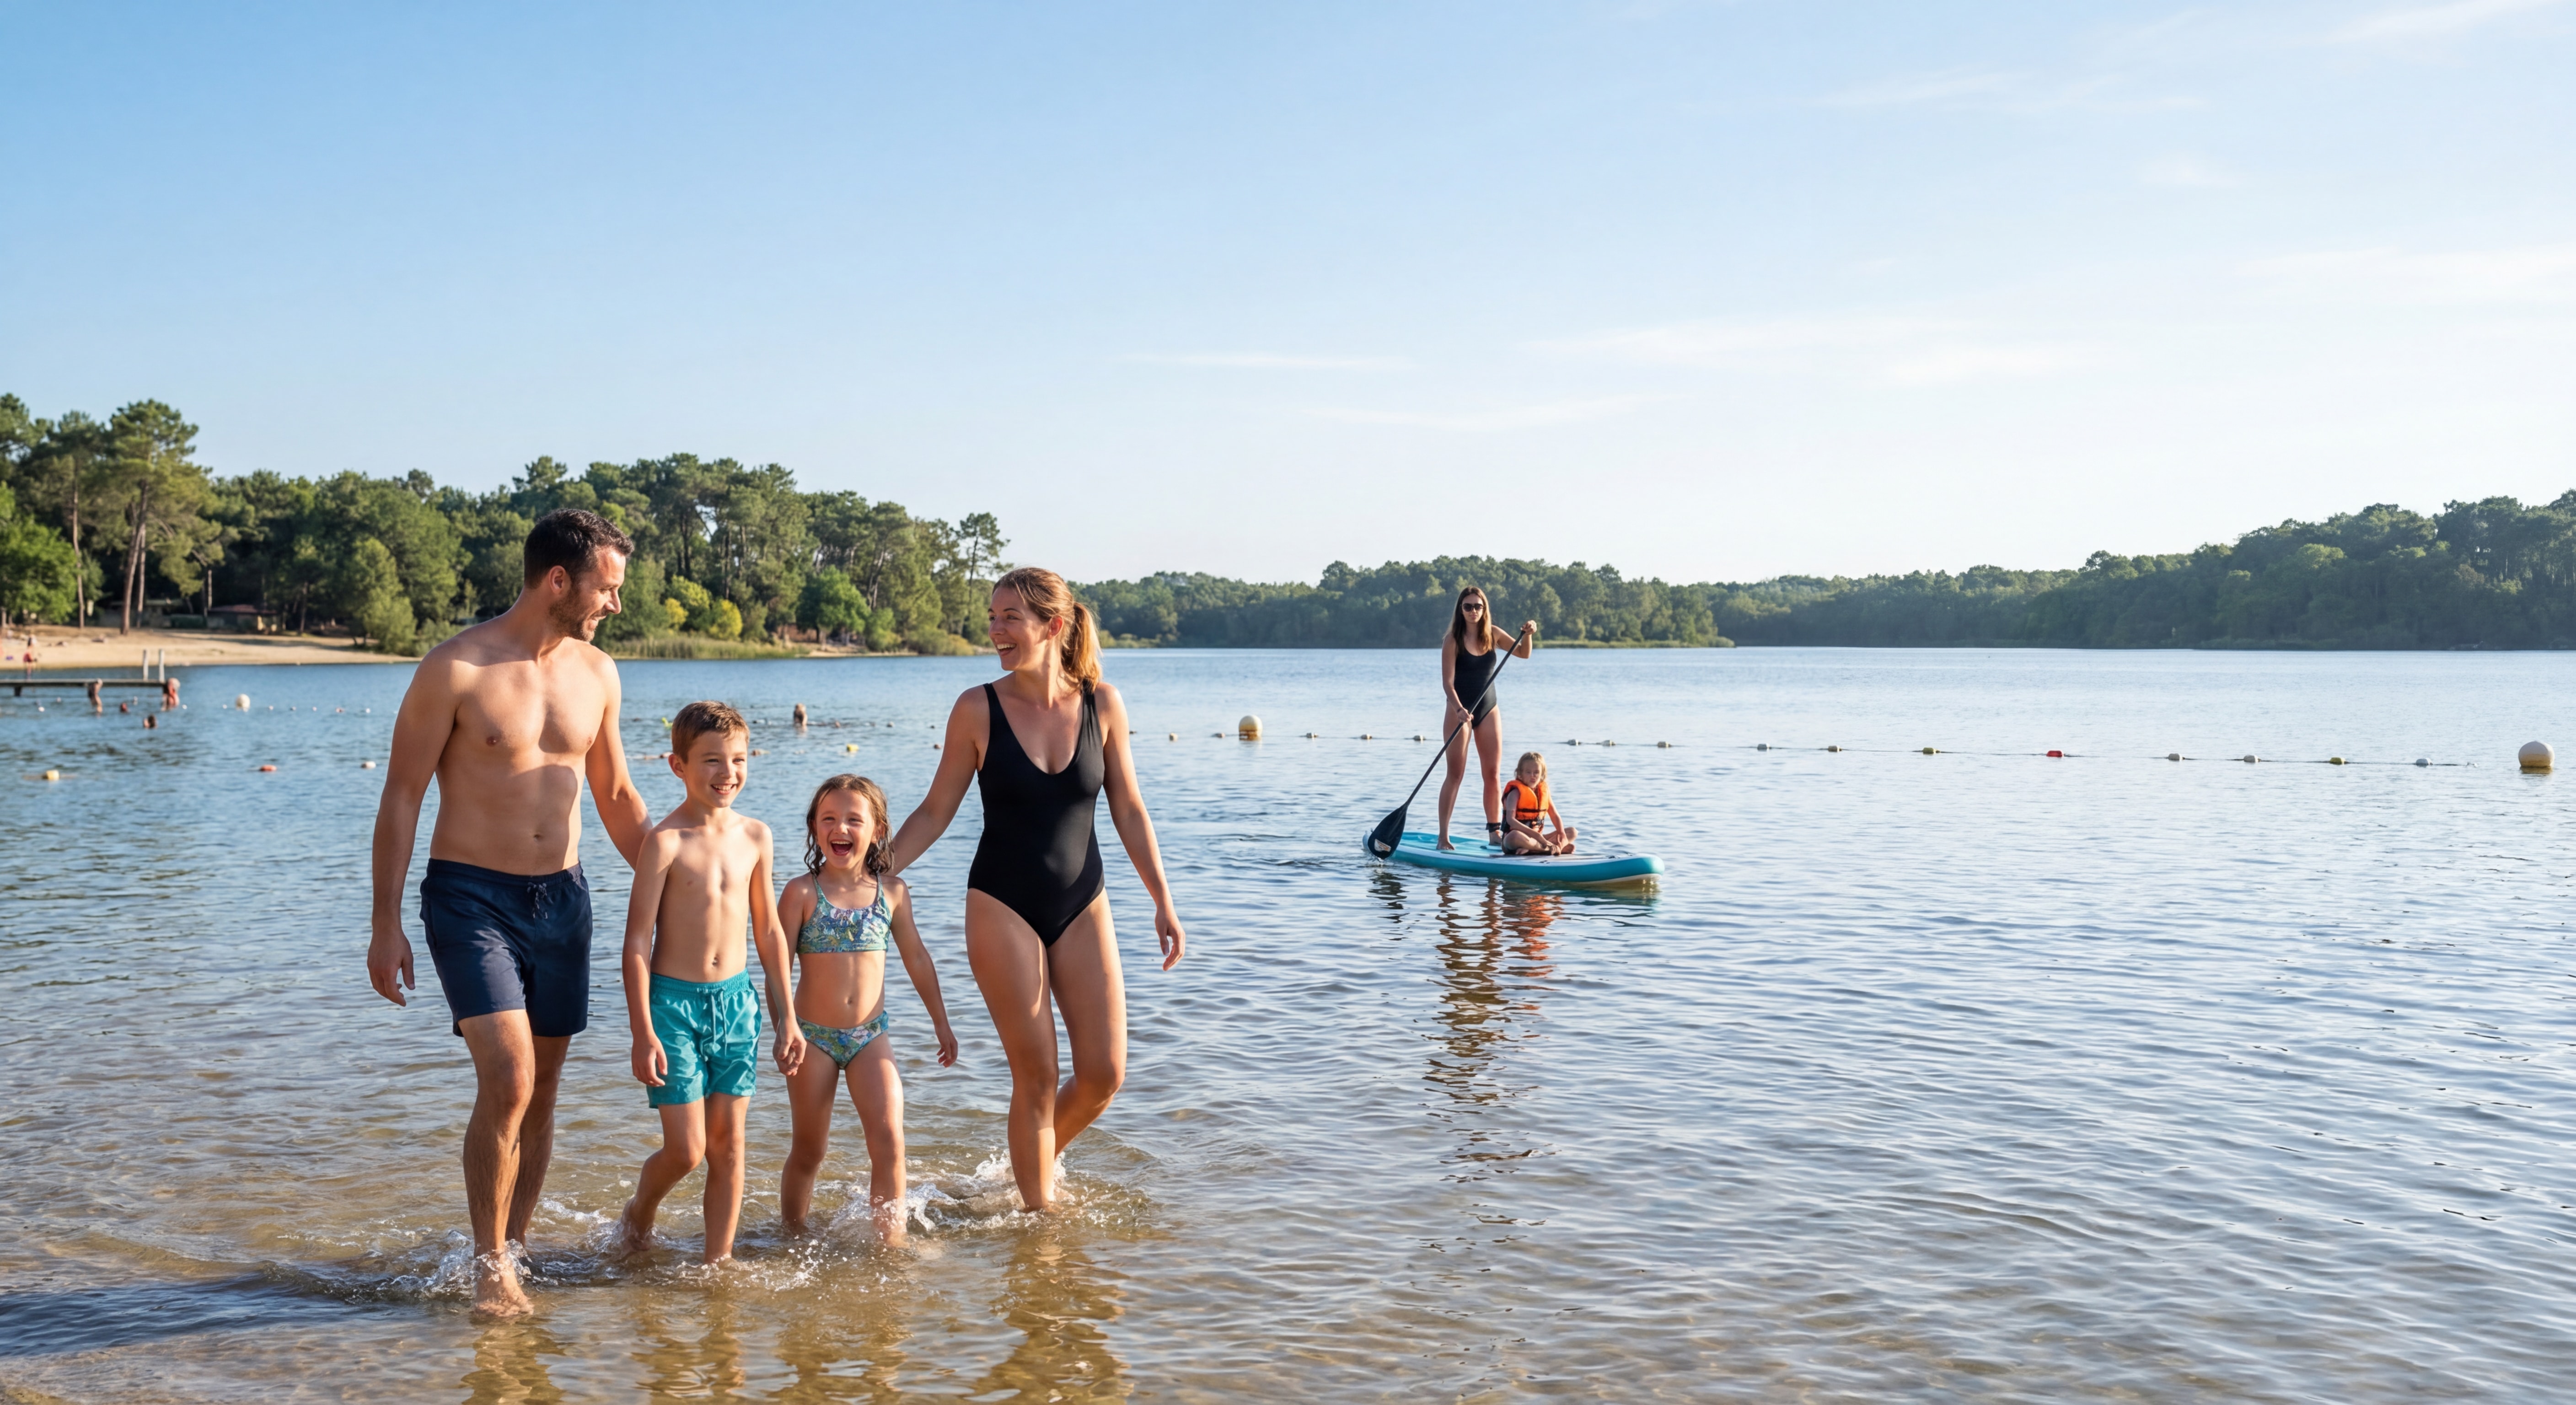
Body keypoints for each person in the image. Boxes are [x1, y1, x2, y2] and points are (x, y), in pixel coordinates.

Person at [365, 508, 651, 1319]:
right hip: (469, 897)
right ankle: (491, 1266)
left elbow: (620, 797)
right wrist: (385, 922)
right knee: (511, 1075)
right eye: (608, 587)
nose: (614, 604)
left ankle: (514, 1245)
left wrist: (685, 886)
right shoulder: (454, 668)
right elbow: (401, 796)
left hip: (563, 896)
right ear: (559, 580)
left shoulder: (597, 672)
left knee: (546, 1088)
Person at [880, 566, 1185, 1212]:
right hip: (1001, 901)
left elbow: (1129, 807)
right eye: (992, 617)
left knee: (1105, 1073)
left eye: (1009, 617)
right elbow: (936, 810)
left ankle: (1026, 1167)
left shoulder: (1103, 704)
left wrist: (1162, 898)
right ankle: (1039, 1221)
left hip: (1084, 899)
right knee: (1039, 1077)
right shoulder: (976, 708)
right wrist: (876, 871)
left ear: (1052, 626)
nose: (995, 630)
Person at [613, 701, 801, 1264]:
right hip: (673, 1006)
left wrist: (786, 1015)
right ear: (677, 765)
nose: (728, 773)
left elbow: (768, 932)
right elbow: (635, 943)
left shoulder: (757, 836)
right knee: (689, 1149)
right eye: (712, 761)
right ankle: (639, 1210)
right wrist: (642, 1031)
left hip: (737, 1005)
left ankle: (716, 1264)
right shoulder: (665, 842)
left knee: (730, 1147)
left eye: (739, 760)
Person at [777, 774, 960, 1244]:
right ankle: (792, 1235)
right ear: (815, 829)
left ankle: (890, 1246)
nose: (841, 828)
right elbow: (776, 970)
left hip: (869, 1037)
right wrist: (786, 1027)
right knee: (809, 1150)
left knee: (890, 1143)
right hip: (812, 1039)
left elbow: (917, 958)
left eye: (854, 820)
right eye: (829, 819)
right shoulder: (800, 893)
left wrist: (942, 1022)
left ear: (877, 830)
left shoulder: (892, 892)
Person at [1435, 587, 1537, 851]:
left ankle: (1494, 832)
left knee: (1492, 774)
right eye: (1468, 607)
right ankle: (1443, 837)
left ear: (1484, 609)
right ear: (1461, 609)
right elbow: (1448, 684)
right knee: (1455, 775)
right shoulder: (1452, 641)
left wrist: (1527, 636)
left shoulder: (1493, 634)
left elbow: (1524, 654)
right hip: (1459, 710)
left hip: (1488, 708)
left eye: (1478, 607)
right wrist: (1459, 709)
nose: (1473, 611)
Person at [1497, 751, 1577, 856]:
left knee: (1572, 832)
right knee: (1514, 836)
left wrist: (1562, 835)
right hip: (1516, 841)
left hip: (1537, 840)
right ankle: (1549, 849)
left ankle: (1536, 849)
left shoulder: (1543, 792)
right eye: (1528, 772)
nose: (1533, 776)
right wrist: (1538, 836)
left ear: (1542, 774)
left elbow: (1554, 815)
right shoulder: (1515, 793)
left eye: (1536, 772)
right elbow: (1511, 820)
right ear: (1520, 774)